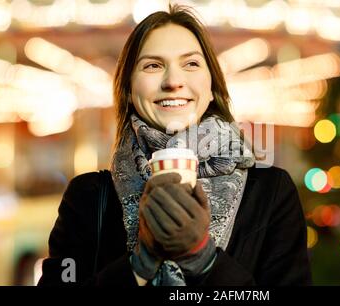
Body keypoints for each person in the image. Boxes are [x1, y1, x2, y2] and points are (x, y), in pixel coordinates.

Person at [38, 4, 311, 286]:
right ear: (129, 89)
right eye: (153, 65)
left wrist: (202, 259)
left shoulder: (271, 192)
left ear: (212, 86)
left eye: (191, 63)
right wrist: (139, 265)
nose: (173, 81)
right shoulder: (88, 198)